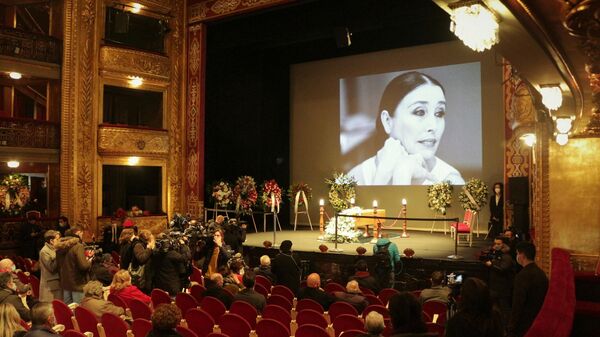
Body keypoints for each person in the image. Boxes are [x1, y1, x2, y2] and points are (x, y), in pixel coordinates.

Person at [348, 71, 464, 185]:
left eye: (439, 113)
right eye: (420, 112)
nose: (433, 126)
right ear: (387, 121)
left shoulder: (451, 181)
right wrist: (383, 174)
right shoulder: (356, 178)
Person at [508, 242, 548, 337]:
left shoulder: (522, 276)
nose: (517, 256)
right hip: (538, 319)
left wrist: (511, 327)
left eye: (517, 253)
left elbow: (518, 304)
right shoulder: (541, 273)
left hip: (524, 323)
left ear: (522, 255)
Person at [55, 226, 93, 304]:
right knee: (78, 309)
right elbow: (84, 266)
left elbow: (58, 266)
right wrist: (89, 261)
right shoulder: (78, 246)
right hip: (77, 283)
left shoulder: (59, 247)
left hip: (66, 283)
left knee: (68, 310)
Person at [484, 237, 515, 325]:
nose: (496, 246)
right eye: (495, 244)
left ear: (504, 245)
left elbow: (503, 269)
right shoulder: (498, 254)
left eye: (499, 244)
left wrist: (491, 264)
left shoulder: (507, 256)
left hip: (503, 289)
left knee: (504, 310)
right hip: (495, 287)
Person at [39, 230, 62, 301]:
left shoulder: (55, 249)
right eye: (57, 239)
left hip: (57, 283)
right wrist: (59, 254)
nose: (60, 241)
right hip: (50, 286)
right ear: (51, 241)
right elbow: (51, 268)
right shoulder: (44, 251)